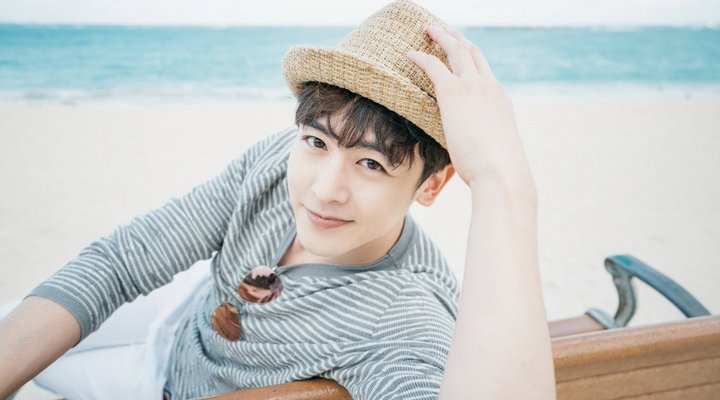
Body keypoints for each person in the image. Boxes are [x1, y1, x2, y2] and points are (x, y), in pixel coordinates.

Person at [0, 0, 556, 399]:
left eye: (371, 163)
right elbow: (122, 262)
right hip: (183, 315)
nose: (324, 189)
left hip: (161, 384)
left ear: (432, 184)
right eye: (317, 142)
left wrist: (502, 184)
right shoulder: (275, 160)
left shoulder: (403, 316)